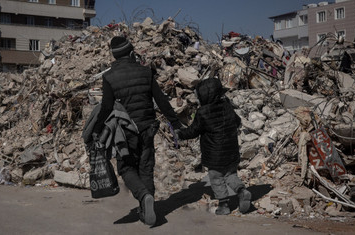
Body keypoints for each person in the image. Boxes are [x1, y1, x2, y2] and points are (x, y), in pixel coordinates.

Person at [92, 36, 182, 226]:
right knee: (146, 167)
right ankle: (146, 204)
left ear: (114, 57)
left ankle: (143, 197)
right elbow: (161, 101)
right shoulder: (145, 72)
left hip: (125, 132)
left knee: (126, 167)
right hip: (148, 127)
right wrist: (176, 122)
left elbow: (106, 107)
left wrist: (97, 129)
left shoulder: (109, 77)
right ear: (132, 52)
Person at [176, 77, 252, 215]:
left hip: (214, 155)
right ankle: (241, 191)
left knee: (216, 177)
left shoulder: (203, 112)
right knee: (230, 174)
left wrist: (180, 134)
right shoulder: (227, 106)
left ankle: (224, 205)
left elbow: (193, 131)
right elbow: (237, 121)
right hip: (231, 151)